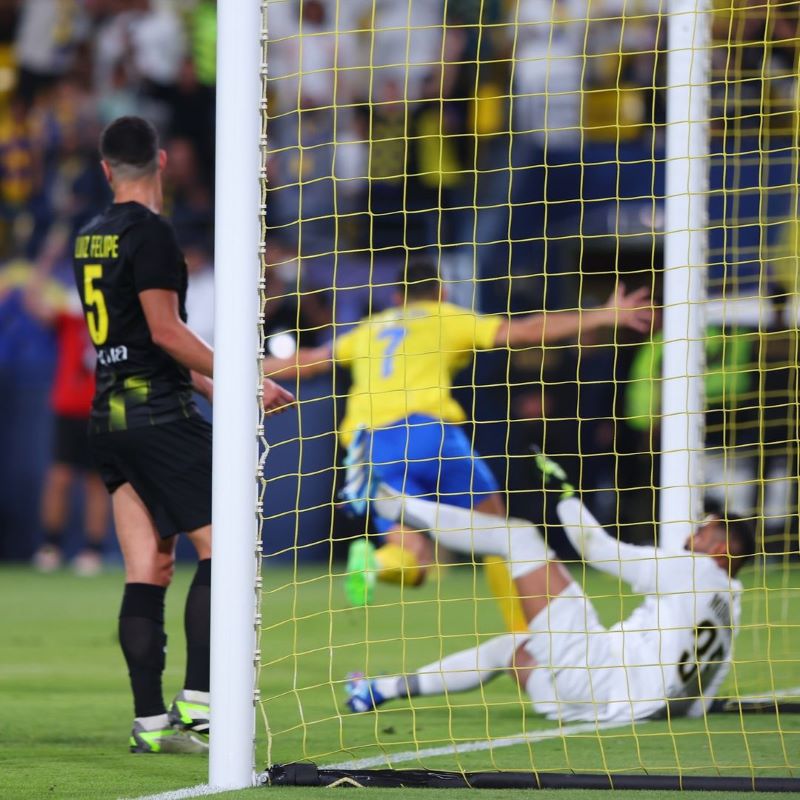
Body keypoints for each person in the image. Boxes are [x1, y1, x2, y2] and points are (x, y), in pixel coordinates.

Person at [263, 259, 651, 631]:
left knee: (410, 561)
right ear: (443, 292)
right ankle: (524, 632)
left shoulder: (370, 328)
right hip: (434, 436)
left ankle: (375, 566)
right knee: (500, 532)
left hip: (373, 448)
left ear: (397, 297)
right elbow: (527, 331)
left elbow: (309, 360)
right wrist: (601, 315)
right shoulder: (448, 317)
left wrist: (221, 366)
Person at [74, 116, 293, 753]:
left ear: (106, 166)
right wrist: (248, 378)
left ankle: (149, 724)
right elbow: (166, 334)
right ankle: (200, 711)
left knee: (149, 566)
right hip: (157, 418)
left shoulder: (88, 237)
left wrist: (216, 388)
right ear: (163, 161)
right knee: (227, 549)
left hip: (108, 418)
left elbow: (132, 343)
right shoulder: (154, 236)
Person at [345, 453, 756, 723]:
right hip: (603, 706)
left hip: (598, 675)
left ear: (718, 549)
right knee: (514, 648)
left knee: (519, 538)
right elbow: (701, 695)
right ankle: (376, 691)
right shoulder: (731, 606)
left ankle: (388, 502)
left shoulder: (698, 570)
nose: (692, 535)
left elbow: (596, 549)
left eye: (702, 531)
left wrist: (568, 497)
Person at [25, 269, 110, 576]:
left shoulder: (117, 318)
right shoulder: (71, 318)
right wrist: (45, 260)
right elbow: (33, 303)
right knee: (59, 477)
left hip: (102, 407)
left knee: (97, 482)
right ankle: (51, 545)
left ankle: (92, 549)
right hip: (67, 407)